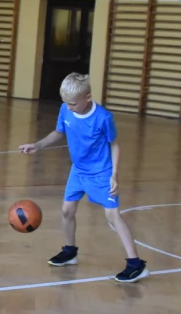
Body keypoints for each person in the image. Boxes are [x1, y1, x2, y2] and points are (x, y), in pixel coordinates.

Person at [19, 73, 149, 283]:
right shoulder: (66, 109)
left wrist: (114, 175)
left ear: (88, 98)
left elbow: (114, 145)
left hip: (102, 173)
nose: (69, 107)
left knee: (112, 216)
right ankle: (70, 252)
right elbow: (59, 132)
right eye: (66, 103)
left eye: (73, 103)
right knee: (67, 211)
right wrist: (38, 145)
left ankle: (136, 264)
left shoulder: (103, 118)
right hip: (78, 171)